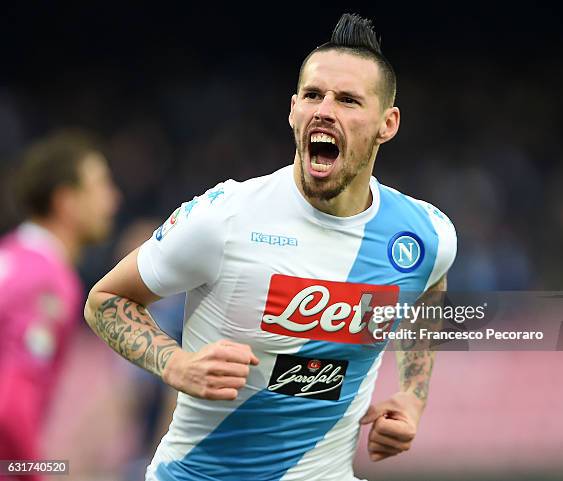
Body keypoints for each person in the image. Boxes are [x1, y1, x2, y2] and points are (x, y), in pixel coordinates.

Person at [84, 13, 457, 481]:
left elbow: (430, 286)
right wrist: (175, 364)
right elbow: (106, 300)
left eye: (347, 100)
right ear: (293, 110)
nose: (325, 110)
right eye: (313, 95)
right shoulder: (224, 217)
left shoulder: (424, 235)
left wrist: (413, 394)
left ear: (388, 123)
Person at [0, 130, 120, 475]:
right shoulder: (47, 281)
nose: (113, 199)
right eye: (100, 186)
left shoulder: (11, 256)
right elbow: (11, 407)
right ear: (66, 201)